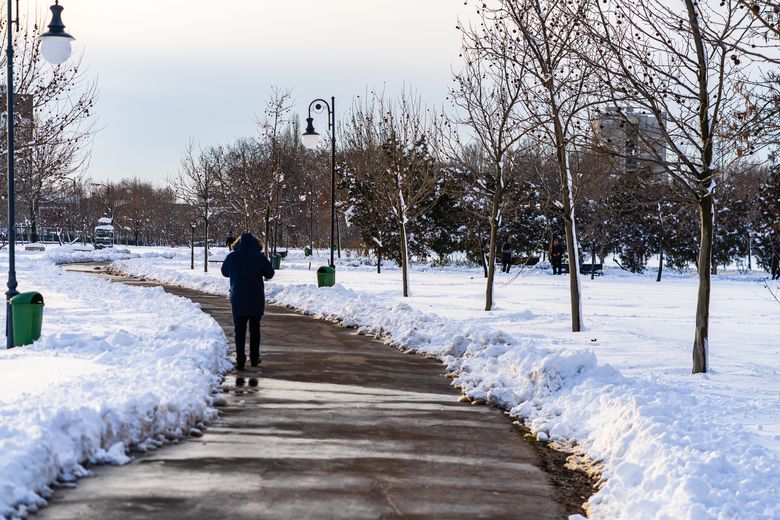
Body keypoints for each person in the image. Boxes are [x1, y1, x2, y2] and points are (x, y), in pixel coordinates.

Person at [221, 232, 275, 370]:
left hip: (238, 297)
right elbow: (270, 273)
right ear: (255, 243)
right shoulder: (259, 256)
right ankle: (254, 357)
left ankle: (240, 359)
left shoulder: (233, 256)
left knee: (239, 330)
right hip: (255, 298)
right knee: (255, 329)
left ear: (238, 243)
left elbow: (224, 272)